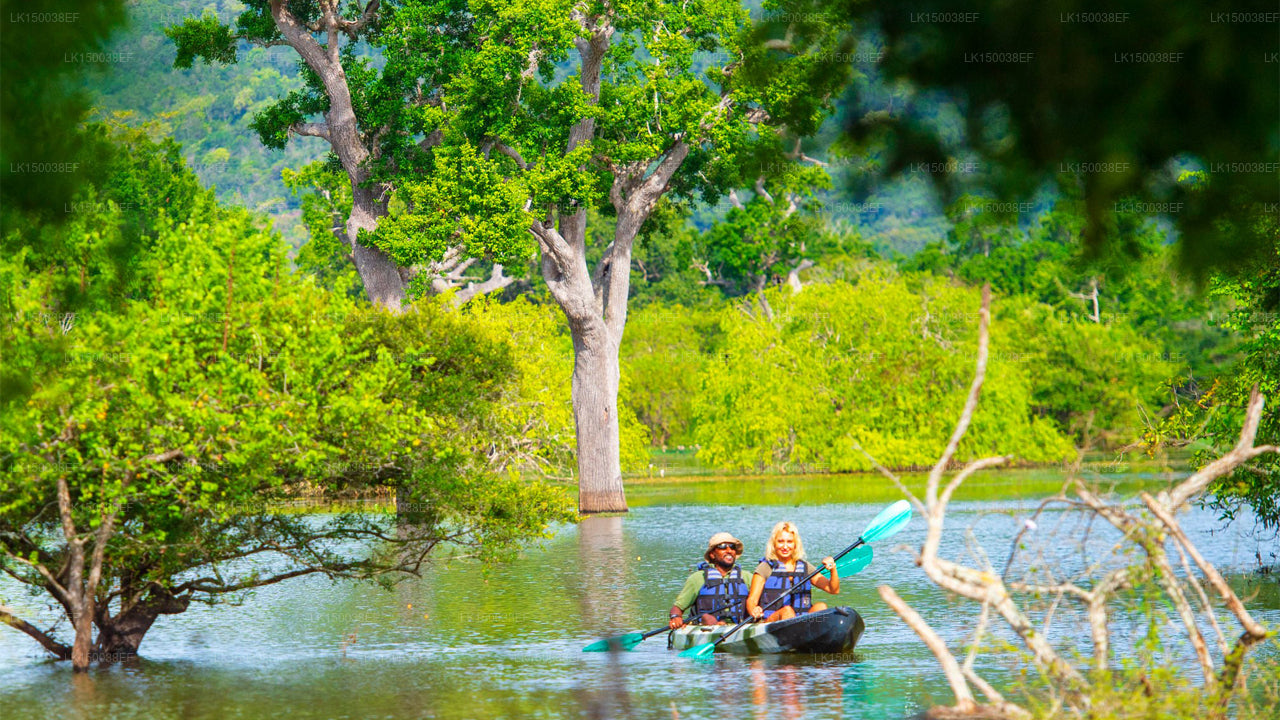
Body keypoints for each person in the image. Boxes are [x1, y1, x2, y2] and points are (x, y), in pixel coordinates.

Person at [744, 521, 838, 623]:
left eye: (789, 542)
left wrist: (833, 569)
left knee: (821, 607)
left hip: (800, 620)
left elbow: (833, 589)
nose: (785, 547)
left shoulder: (805, 567)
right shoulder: (765, 567)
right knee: (787, 611)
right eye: (780, 541)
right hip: (771, 621)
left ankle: (816, 635)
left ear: (795, 545)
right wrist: (754, 609)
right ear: (774, 544)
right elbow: (751, 600)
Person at [668, 532, 754, 628]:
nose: (729, 550)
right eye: (722, 547)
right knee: (707, 618)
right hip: (706, 629)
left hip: (740, 627)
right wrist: (676, 617)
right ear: (712, 554)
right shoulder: (697, 578)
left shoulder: (747, 577)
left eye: (732, 547)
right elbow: (677, 608)